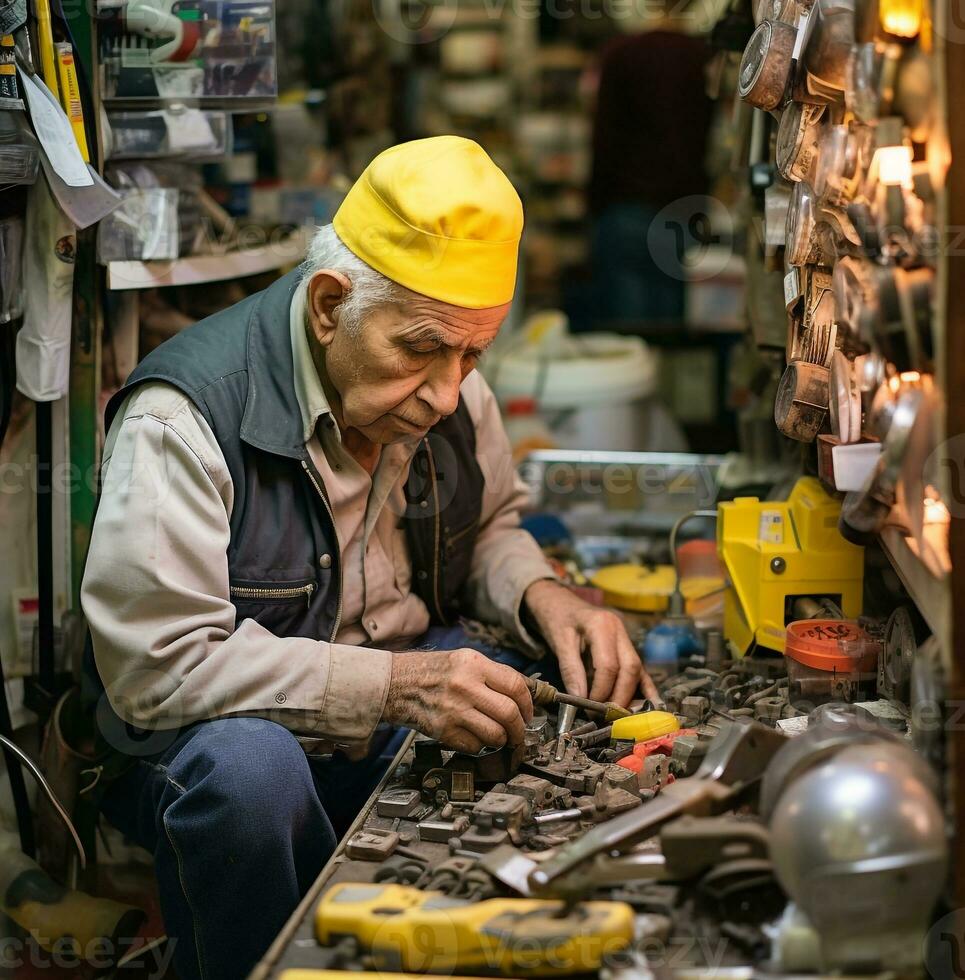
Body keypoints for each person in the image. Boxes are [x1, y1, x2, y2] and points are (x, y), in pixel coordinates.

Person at [81, 136, 660, 980]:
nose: (447, 391)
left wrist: (542, 591)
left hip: (393, 701)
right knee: (250, 776)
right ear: (328, 305)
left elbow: (493, 525)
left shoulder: (445, 372)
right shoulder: (183, 418)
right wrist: (393, 686)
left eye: (473, 356)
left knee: (520, 712)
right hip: (224, 741)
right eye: (421, 350)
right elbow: (155, 668)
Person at [588, 7, 716, 324]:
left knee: (629, 327)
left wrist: (592, 207)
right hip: (682, 208)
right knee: (674, 323)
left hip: (625, 204)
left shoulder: (620, 54)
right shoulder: (702, 57)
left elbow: (603, 138)